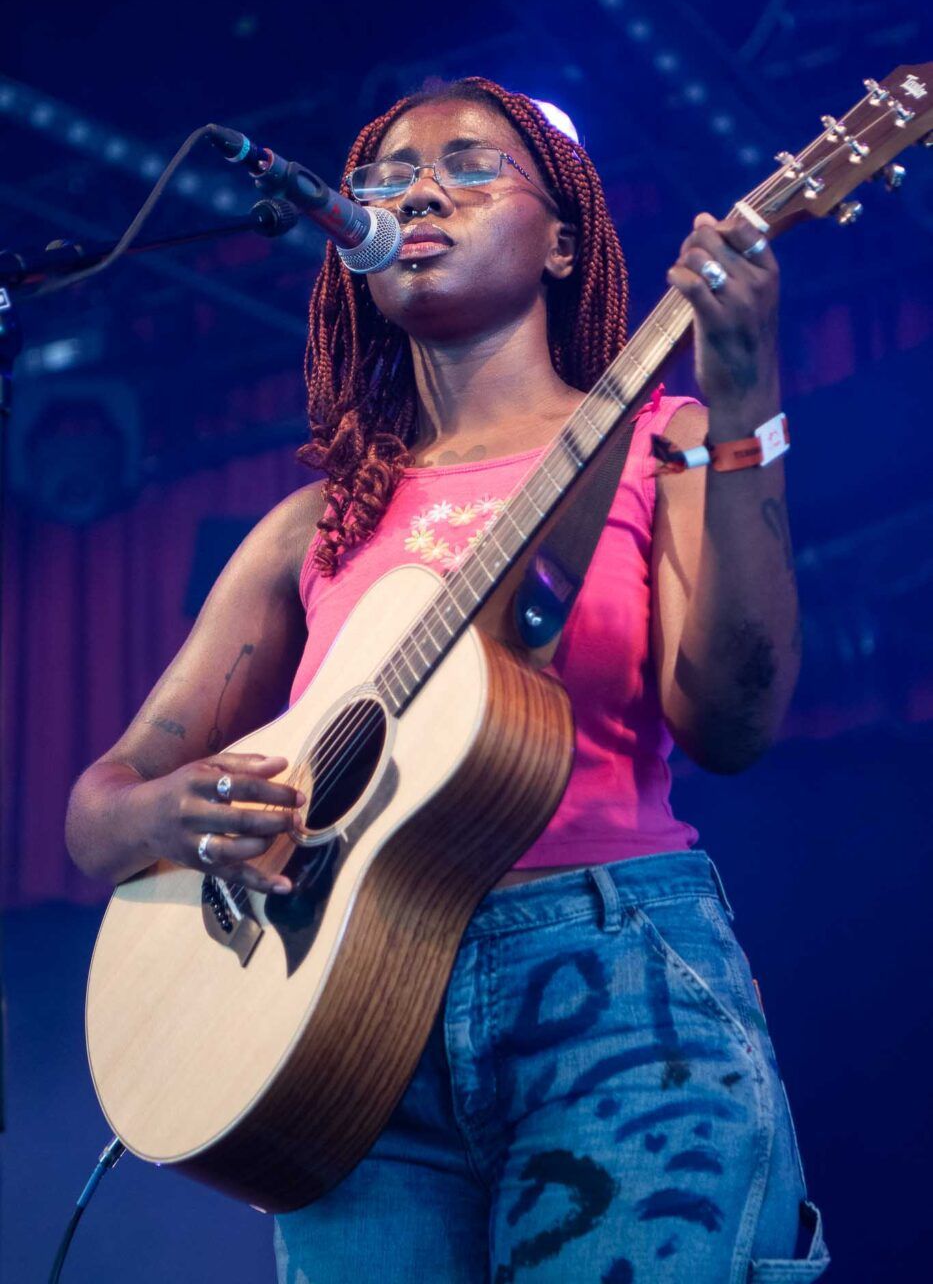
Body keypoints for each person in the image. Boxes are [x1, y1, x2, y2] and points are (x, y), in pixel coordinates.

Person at [66, 77, 829, 1281]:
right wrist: (181, 808)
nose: (416, 190)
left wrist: (744, 409)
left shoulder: (661, 438)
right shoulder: (311, 525)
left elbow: (734, 720)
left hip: (614, 986)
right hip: (337, 1020)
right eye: (384, 177)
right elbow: (99, 810)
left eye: (472, 166)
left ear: (564, 239)